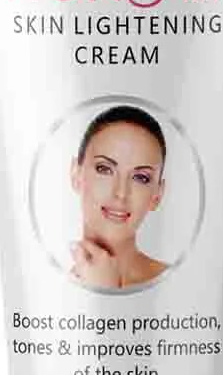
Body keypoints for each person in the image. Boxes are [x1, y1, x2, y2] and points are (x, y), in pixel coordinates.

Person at [69, 105, 168, 290]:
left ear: (157, 195)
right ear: (76, 175)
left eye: (140, 178)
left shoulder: (182, 284)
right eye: (105, 169)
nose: (121, 193)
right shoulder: (41, 288)